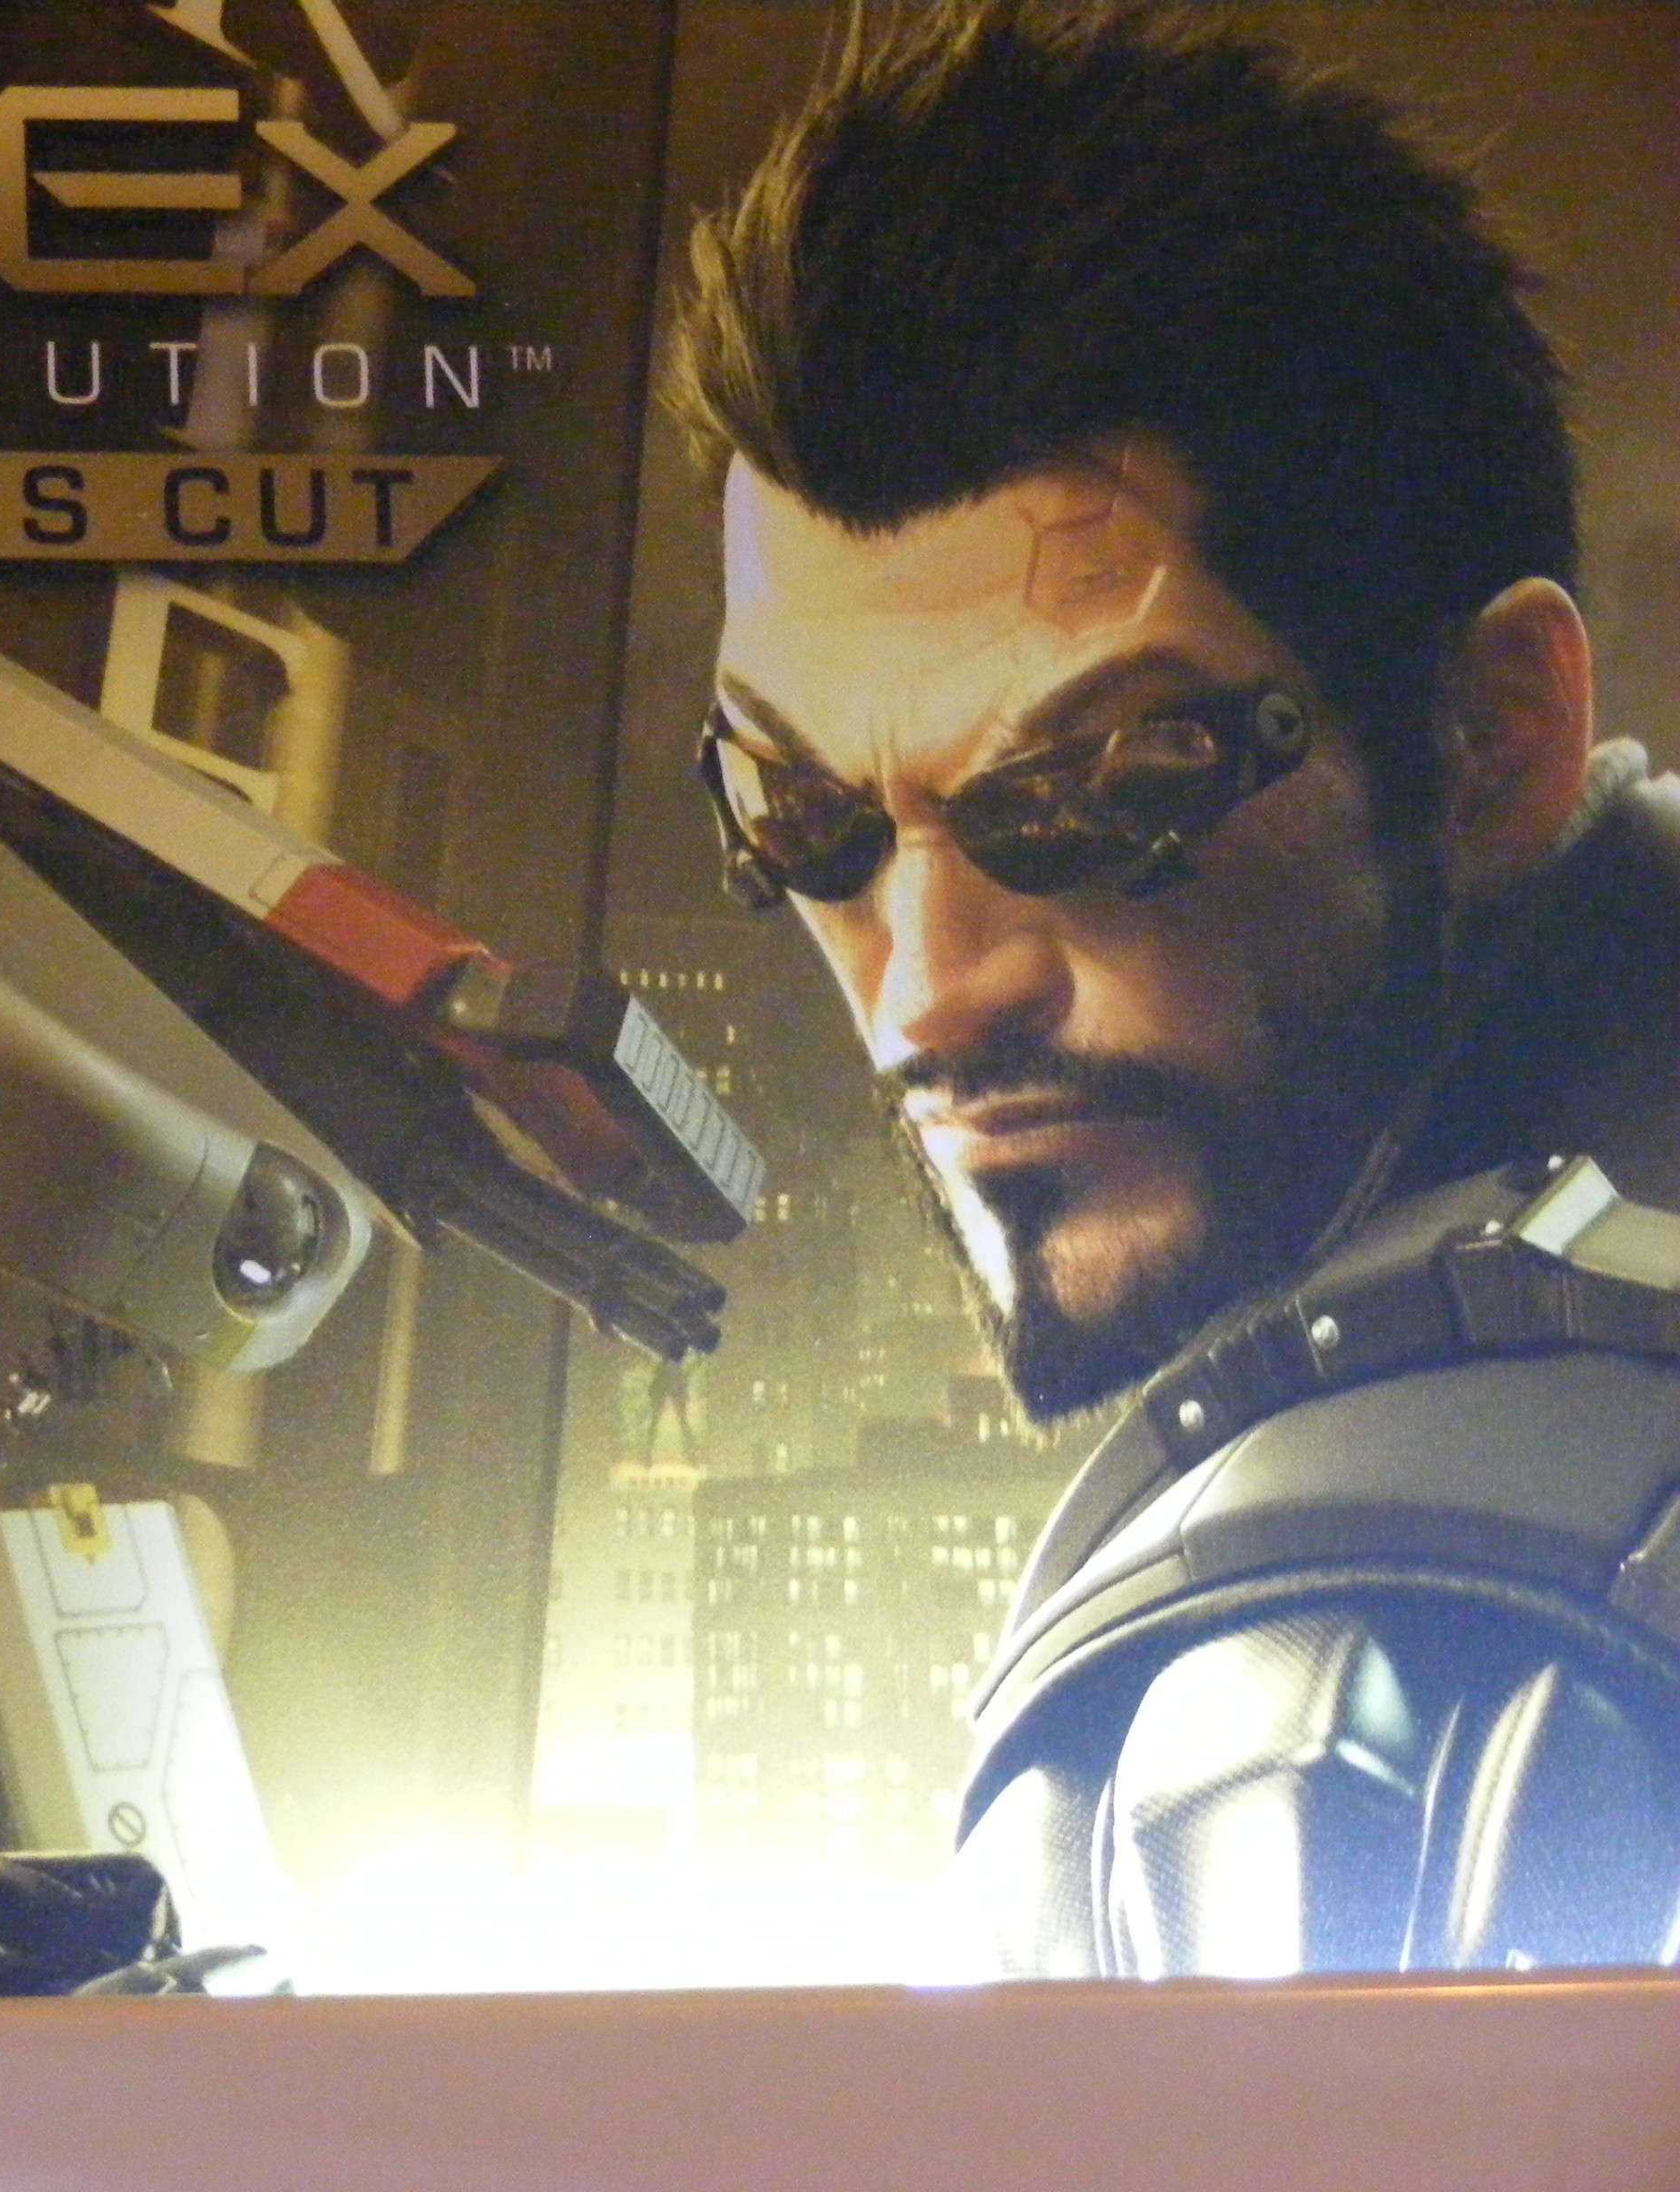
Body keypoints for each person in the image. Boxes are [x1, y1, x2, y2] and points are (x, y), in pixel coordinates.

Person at [670, 0, 1680, 1974]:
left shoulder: (1372, 1700)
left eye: (1108, 792)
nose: (926, 997)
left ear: (1493, 738)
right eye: (806, 822)